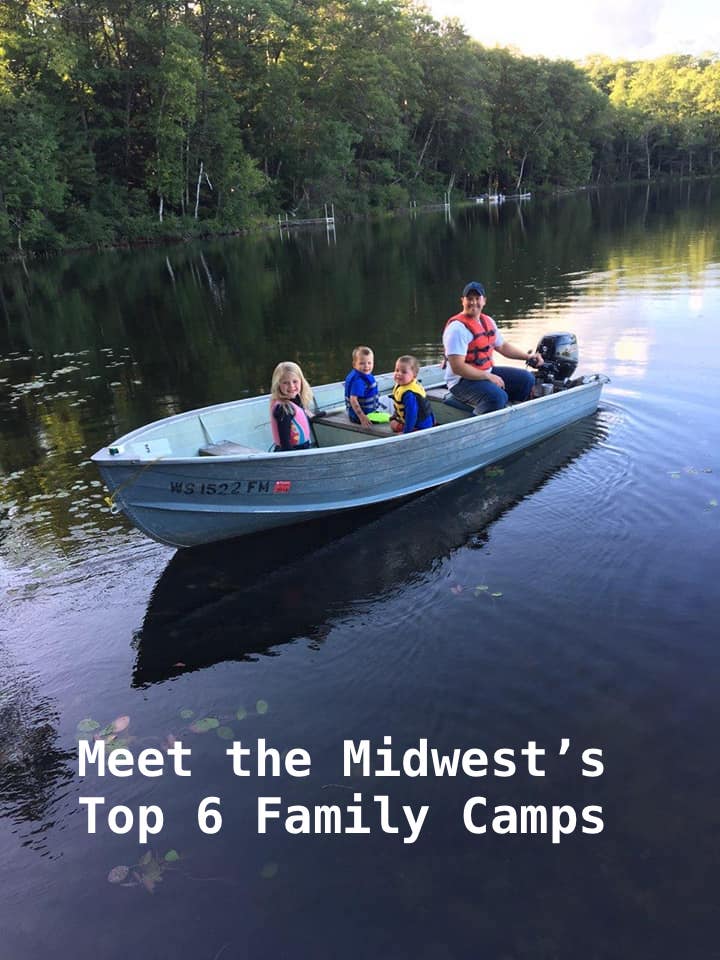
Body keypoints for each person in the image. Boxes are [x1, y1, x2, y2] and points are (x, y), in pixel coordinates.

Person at [442, 281, 543, 414]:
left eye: (477, 298)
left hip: (485, 372)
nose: (473, 302)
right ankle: (479, 425)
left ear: (484, 301)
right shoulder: (457, 329)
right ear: (463, 301)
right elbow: (458, 367)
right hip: (461, 382)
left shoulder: (488, 321)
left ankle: (513, 416)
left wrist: (528, 356)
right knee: (497, 397)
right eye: (469, 299)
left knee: (526, 379)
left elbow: (503, 346)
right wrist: (487, 376)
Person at [269, 361, 315, 451]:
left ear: (301, 381)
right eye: (285, 383)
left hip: (301, 448)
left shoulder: (295, 399)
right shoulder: (283, 408)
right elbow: (285, 442)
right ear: (278, 384)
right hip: (292, 451)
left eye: (295, 381)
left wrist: (317, 416)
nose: (291, 386)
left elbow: (301, 416)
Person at [390, 355, 435, 434]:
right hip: (412, 421)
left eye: (404, 372)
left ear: (414, 375)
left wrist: (406, 432)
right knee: (392, 422)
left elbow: (412, 415)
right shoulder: (401, 386)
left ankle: (412, 430)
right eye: (397, 370)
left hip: (421, 426)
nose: (399, 374)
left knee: (393, 425)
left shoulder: (409, 394)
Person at [344, 345, 382, 428]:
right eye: (362, 363)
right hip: (359, 417)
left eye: (369, 363)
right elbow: (353, 400)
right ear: (354, 364)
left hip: (364, 413)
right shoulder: (358, 381)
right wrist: (362, 417)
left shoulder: (363, 374)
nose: (366, 366)